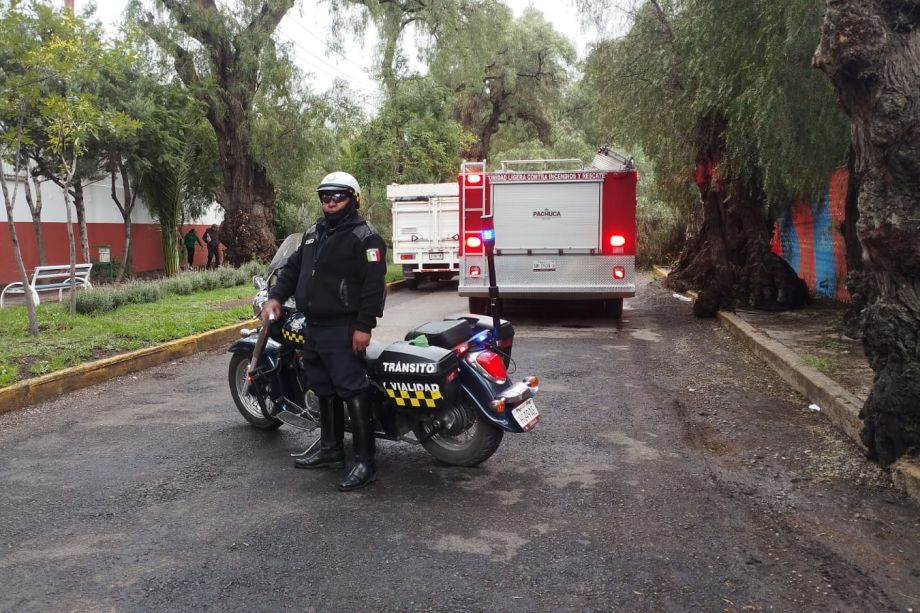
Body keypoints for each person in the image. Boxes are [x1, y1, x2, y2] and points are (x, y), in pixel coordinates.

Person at [262, 171, 387, 491]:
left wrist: (363, 326)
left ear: (353, 200)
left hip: (344, 327)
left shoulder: (365, 236)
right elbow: (291, 270)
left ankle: (364, 462)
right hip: (313, 326)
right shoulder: (313, 233)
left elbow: (374, 286)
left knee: (353, 390)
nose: (330, 203)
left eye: (338, 197)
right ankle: (331, 451)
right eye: (325, 197)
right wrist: (275, 296)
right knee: (323, 388)